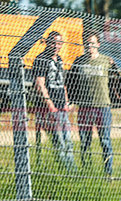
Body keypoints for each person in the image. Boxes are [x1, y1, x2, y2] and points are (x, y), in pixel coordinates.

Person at [71, 32, 115, 175]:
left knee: (105, 140)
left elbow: (116, 81)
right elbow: (71, 82)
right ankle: (86, 170)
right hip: (84, 107)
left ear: (98, 44)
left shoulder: (106, 61)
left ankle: (108, 173)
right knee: (84, 141)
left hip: (102, 106)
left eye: (93, 43)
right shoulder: (79, 61)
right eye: (87, 43)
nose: (90, 45)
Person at [33, 31, 77, 171]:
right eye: (53, 42)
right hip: (50, 107)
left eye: (59, 43)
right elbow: (40, 84)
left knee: (68, 139)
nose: (56, 46)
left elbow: (62, 83)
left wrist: (66, 101)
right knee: (59, 140)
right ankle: (65, 170)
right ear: (47, 42)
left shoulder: (60, 60)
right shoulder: (41, 59)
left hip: (62, 106)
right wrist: (50, 104)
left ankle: (71, 169)